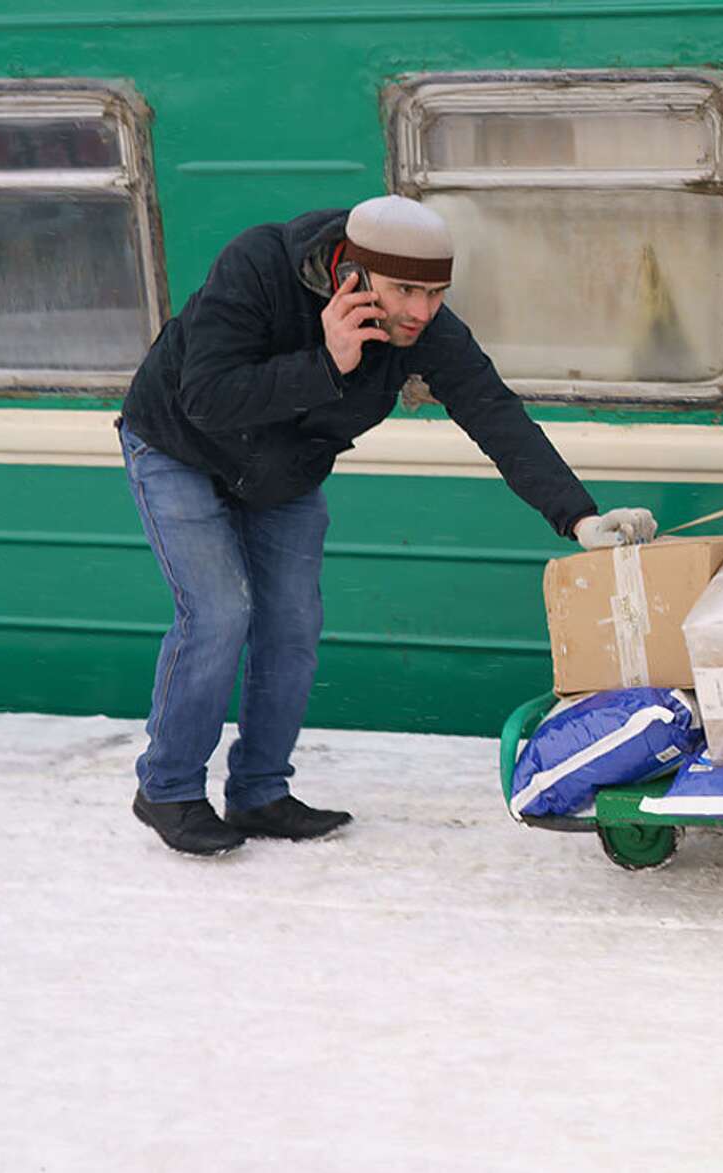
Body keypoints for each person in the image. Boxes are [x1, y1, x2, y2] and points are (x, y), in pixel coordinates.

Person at [118, 195, 657, 856]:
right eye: (406, 290)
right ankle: (168, 788)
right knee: (219, 612)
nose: (421, 311)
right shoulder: (259, 265)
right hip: (179, 446)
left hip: (281, 470)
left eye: (436, 293)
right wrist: (326, 361)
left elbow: (494, 413)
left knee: (291, 624)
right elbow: (206, 397)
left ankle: (259, 792)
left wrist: (577, 515)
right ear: (353, 272)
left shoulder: (423, 327)